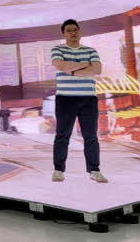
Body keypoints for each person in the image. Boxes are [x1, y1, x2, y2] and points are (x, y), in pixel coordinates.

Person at [50, 19, 108, 183]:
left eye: (75, 29)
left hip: (88, 98)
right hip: (65, 99)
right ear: (64, 33)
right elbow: (60, 65)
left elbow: (97, 69)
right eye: (69, 30)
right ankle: (58, 170)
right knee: (62, 135)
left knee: (91, 136)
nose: (73, 33)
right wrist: (85, 65)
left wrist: (73, 70)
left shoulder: (91, 50)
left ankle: (94, 170)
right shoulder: (57, 49)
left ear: (79, 31)